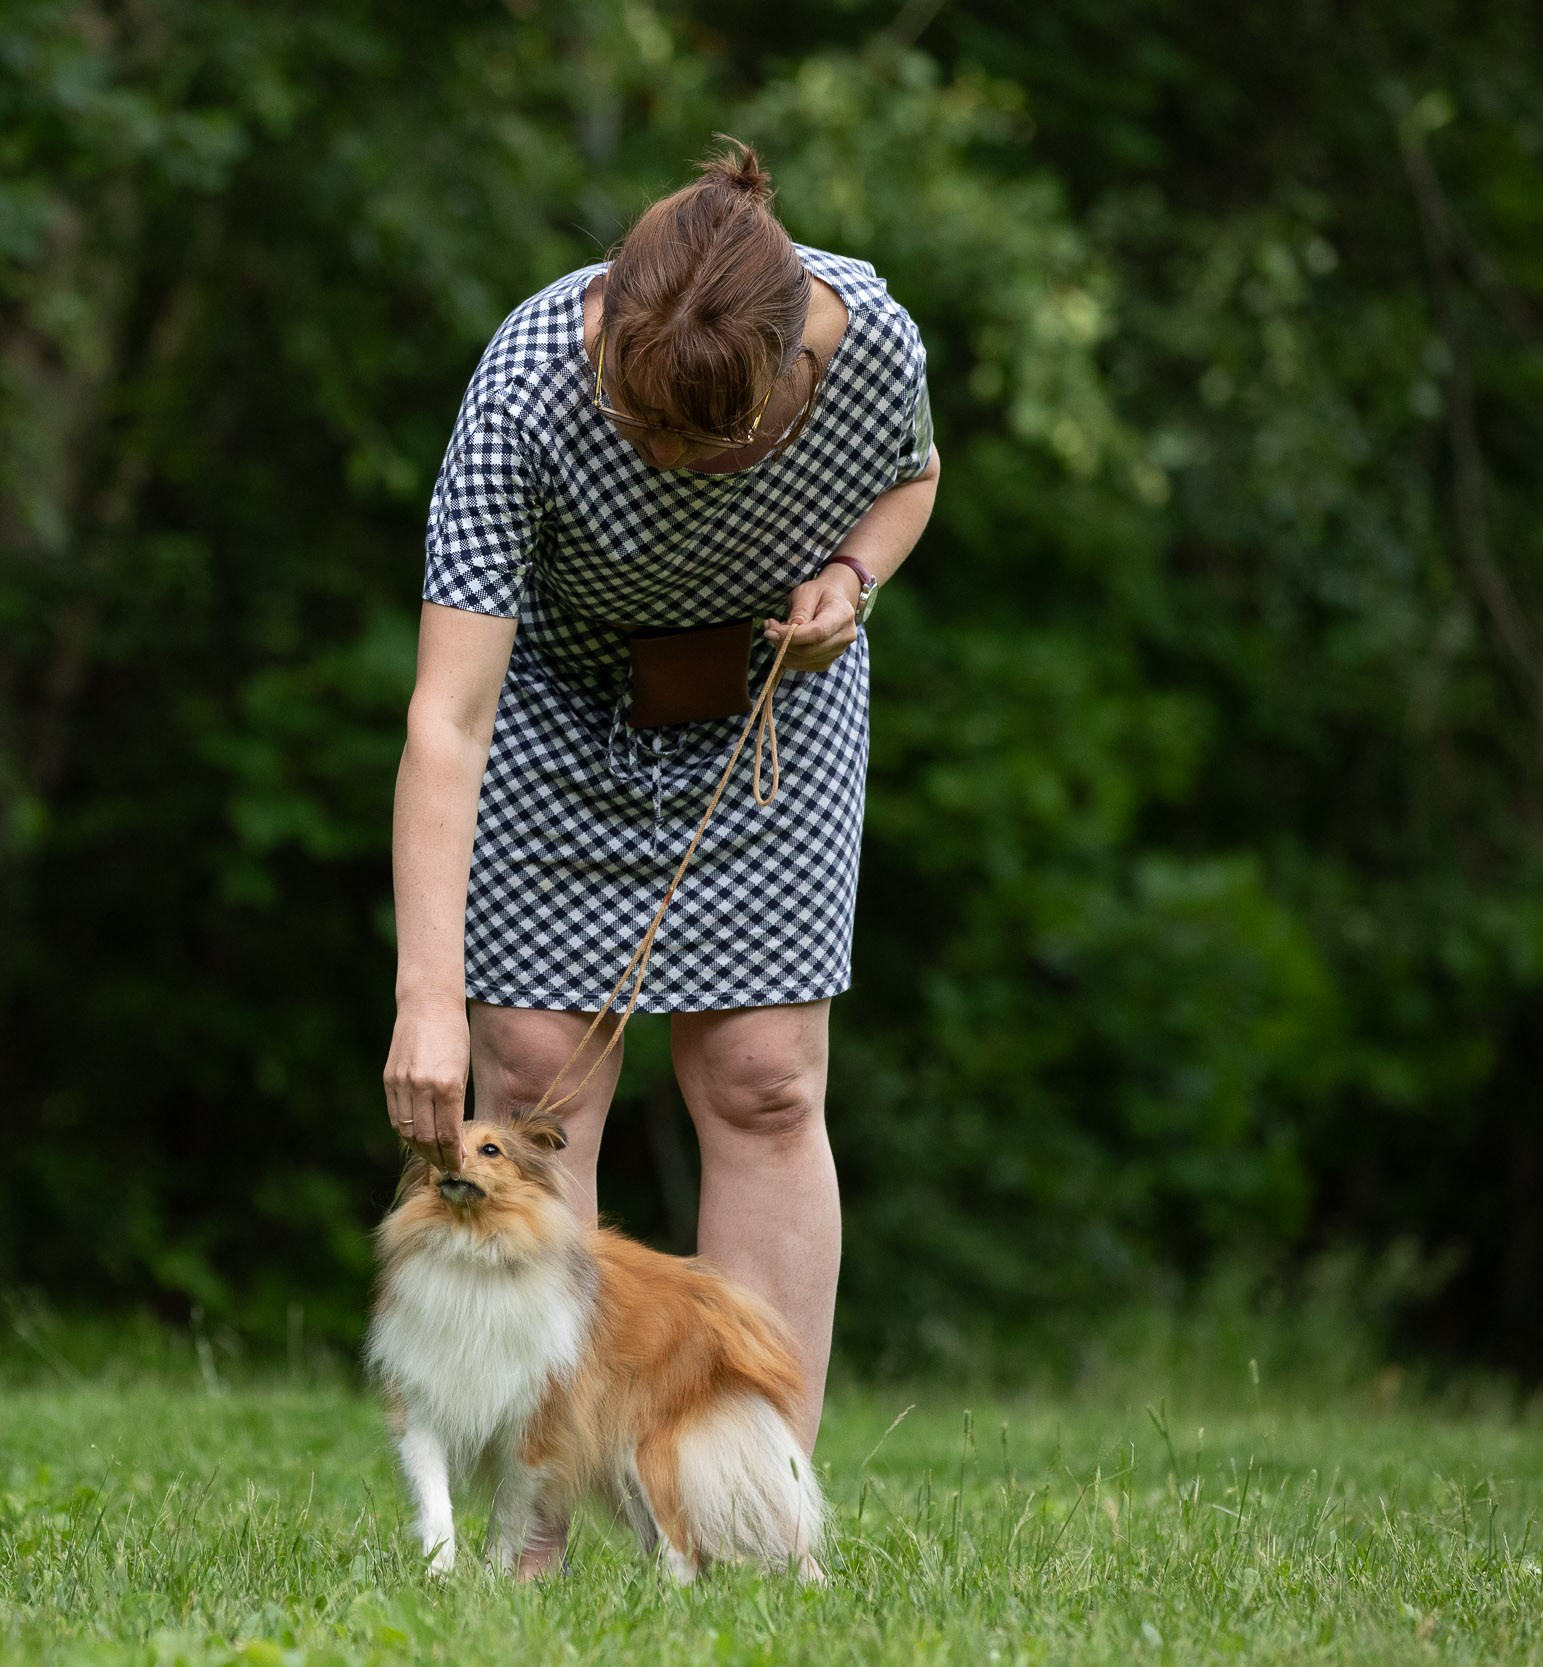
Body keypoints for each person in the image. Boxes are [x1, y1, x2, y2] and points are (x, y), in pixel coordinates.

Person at [381, 136, 939, 1522]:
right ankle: (536, 1518)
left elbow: (910, 477)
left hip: (770, 711)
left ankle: (750, 1501)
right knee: (531, 1069)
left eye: (700, 440)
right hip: (559, 712)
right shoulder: (522, 389)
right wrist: (426, 999)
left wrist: (853, 577)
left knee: (764, 1079)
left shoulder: (870, 344)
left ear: (786, 371)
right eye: (639, 427)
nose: (662, 457)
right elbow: (447, 718)